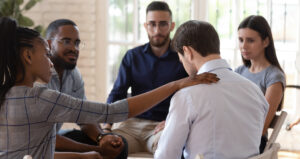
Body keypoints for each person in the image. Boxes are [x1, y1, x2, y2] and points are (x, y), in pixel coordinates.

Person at [0, 17, 219, 159]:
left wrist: (91, 153)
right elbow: (112, 111)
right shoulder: (42, 98)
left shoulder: (6, 93)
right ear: (28, 56)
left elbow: (38, 150)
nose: (49, 61)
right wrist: (176, 84)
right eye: (45, 54)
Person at [154, 20, 269, 159]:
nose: (182, 63)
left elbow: (165, 155)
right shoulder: (255, 91)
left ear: (187, 52)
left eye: (180, 59)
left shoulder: (186, 95)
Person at [103, 1, 188, 154]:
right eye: (152, 24)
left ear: (172, 26)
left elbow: (192, 96)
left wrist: (174, 121)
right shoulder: (132, 56)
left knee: (170, 149)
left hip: (164, 126)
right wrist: (107, 127)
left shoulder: (183, 58)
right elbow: (117, 93)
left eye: (163, 24)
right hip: (131, 126)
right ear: (145, 26)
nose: (157, 30)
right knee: (108, 148)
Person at [44, 19, 127, 159]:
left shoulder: (73, 74)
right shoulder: (38, 75)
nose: (74, 48)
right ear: (49, 44)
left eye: (77, 43)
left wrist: (102, 138)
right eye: (66, 41)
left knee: (118, 146)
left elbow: (83, 116)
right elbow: (43, 137)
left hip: (56, 137)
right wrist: (95, 149)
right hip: (39, 144)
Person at [235, 15, 286, 153]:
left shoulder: (274, 76)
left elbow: (261, 127)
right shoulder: (239, 71)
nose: (243, 46)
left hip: (253, 143)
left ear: (265, 42)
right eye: (240, 40)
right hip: (233, 136)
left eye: (250, 40)